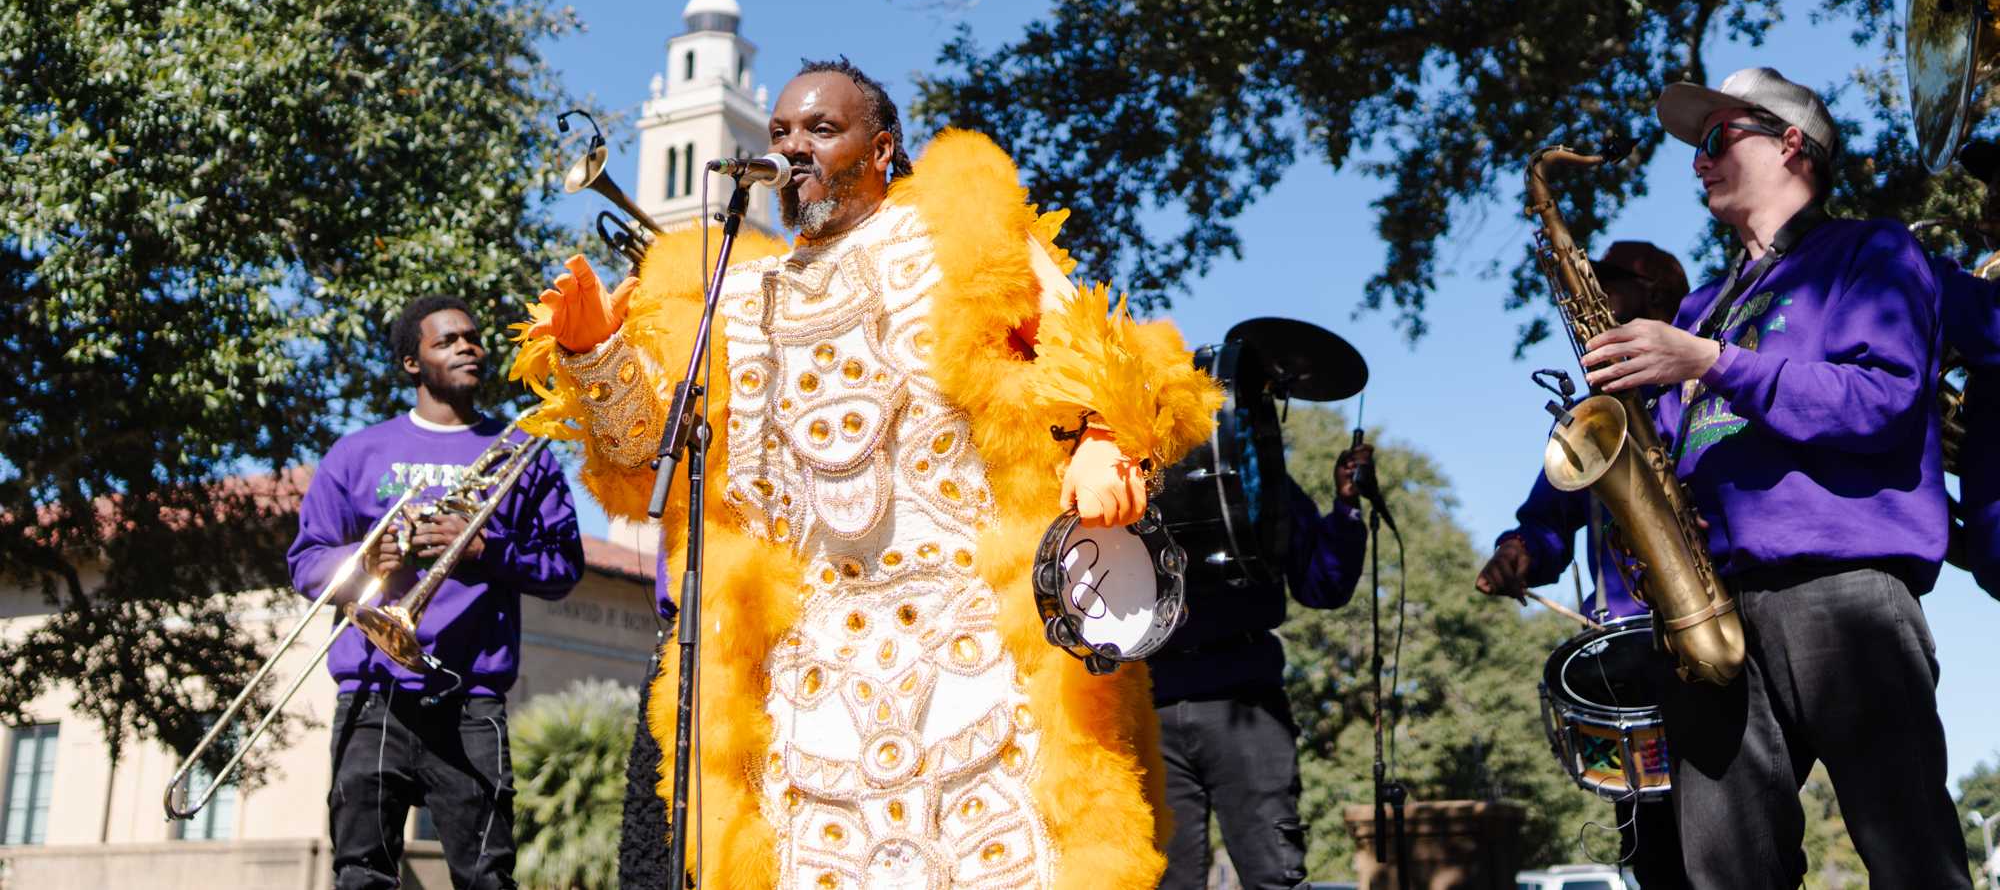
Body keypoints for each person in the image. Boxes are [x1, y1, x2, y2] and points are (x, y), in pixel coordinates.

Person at [513, 58, 1221, 889]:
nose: (793, 146)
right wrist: (594, 356)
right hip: (808, 681)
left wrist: (1104, 435)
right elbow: (644, 466)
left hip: (976, 652)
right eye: (779, 132)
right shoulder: (733, 295)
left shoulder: (964, 238)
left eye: (820, 128)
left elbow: (1098, 343)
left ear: (880, 146)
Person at [1576, 66, 1968, 889]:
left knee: (1911, 860)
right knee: (1723, 873)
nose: (1700, 161)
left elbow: (1882, 401)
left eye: (1719, 137)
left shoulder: (1871, 249)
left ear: (1793, 142)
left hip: (1845, 593)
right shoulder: (1703, 304)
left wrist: (1715, 362)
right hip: (1715, 615)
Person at [289, 295, 585, 890]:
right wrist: (363, 559)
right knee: (360, 874)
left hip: (472, 697)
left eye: (472, 338)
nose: (468, 347)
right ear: (410, 363)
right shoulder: (356, 453)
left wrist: (484, 550)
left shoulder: (522, 453)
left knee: (487, 878)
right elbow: (306, 563)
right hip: (373, 692)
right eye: (446, 340)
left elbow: (563, 567)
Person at [1475, 240, 1690, 889]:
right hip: (1626, 664)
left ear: (1656, 297)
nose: (1590, 298)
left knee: (1735, 845)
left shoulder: (1697, 387)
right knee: (1653, 858)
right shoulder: (1595, 411)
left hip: (1707, 644)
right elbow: (1546, 522)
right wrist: (1517, 552)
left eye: (1608, 284)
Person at [1150, 425, 1370, 890]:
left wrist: (1347, 505)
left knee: (1275, 876)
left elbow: (1322, 584)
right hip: (1152, 706)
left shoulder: (1257, 478)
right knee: (1163, 881)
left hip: (1245, 698)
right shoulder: (1128, 477)